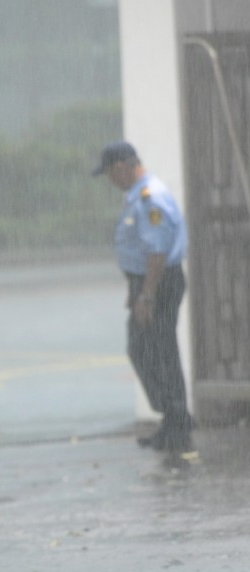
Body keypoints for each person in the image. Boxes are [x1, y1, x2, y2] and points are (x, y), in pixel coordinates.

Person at [93, 141, 193, 453]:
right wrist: (135, 291)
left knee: (154, 349)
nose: (111, 180)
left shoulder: (150, 198)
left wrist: (147, 295)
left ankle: (177, 422)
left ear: (121, 167)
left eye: (110, 174)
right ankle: (174, 420)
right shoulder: (139, 195)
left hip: (159, 283)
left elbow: (157, 251)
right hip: (149, 283)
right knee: (151, 349)